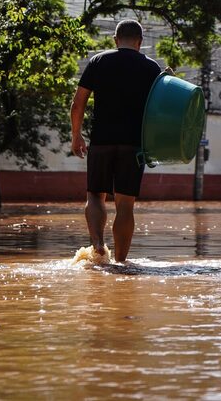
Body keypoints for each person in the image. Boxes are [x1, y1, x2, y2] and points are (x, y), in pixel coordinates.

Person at [70, 19, 161, 262]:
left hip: (101, 141)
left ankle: (98, 245)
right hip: (133, 145)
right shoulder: (152, 68)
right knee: (125, 205)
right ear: (140, 42)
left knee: (95, 196)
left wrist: (76, 135)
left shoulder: (99, 61)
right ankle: (120, 261)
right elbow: (162, 111)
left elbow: (78, 102)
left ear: (115, 39)